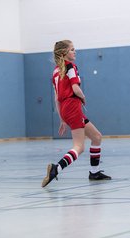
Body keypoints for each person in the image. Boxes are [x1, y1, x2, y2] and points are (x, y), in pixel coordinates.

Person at [42, 40, 111, 187]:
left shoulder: (55, 72)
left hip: (66, 109)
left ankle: (94, 172)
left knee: (96, 137)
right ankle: (56, 168)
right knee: (79, 147)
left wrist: (62, 119)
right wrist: (83, 97)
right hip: (73, 106)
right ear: (64, 53)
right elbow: (75, 88)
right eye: (72, 49)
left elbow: (56, 98)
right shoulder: (71, 67)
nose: (75, 52)